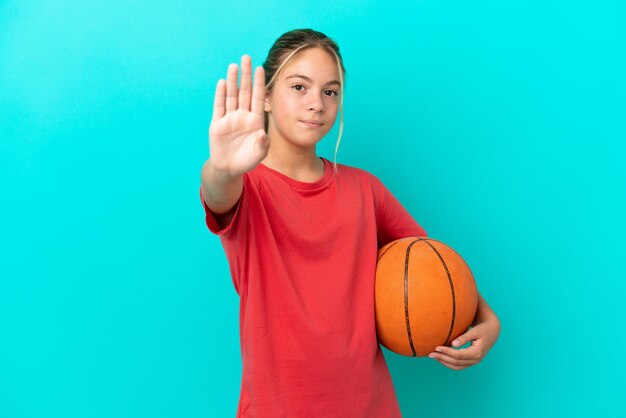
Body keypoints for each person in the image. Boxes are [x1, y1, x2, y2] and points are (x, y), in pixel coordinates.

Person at [199, 28, 501, 418]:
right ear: (268, 96)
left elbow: (430, 267)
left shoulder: (365, 189)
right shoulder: (246, 188)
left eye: (330, 91)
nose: (317, 104)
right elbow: (217, 192)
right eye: (299, 87)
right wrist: (221, 169)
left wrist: (487, 319)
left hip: (368, 406)